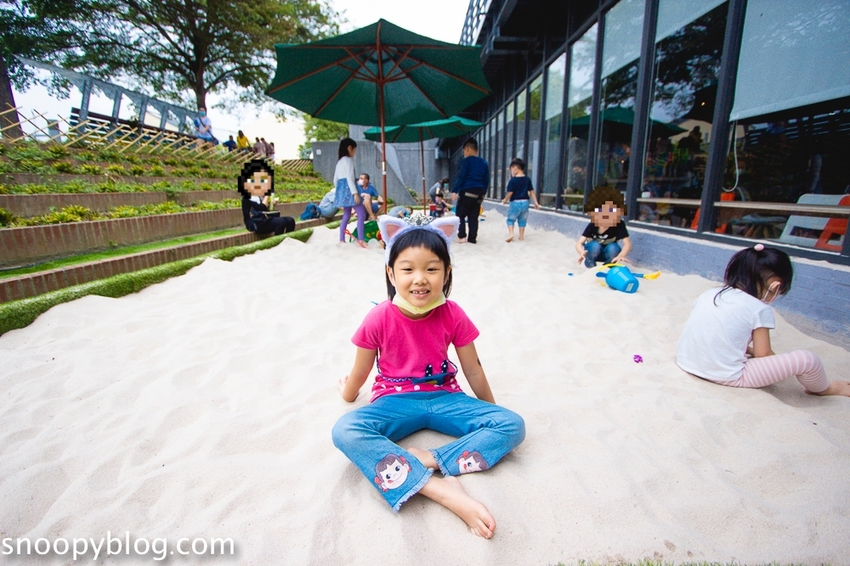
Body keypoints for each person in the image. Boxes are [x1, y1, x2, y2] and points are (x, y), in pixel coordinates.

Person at [332, 215, 525, 539]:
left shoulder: (453, 313)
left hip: (446, 397)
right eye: (408, 269)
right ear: (391, 273)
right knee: (345, 430)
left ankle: (430, 460)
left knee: (513, 425)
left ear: (446, 272)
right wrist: (347, 393)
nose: (420, 279)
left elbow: (473, 369)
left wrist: (492, 413)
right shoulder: (378, 317)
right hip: (394, 402)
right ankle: (440, 490)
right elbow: (361, 371)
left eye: (432, 269)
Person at [677, 245, 849, 397]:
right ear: (775, 285)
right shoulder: (759, 308)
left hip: (687, 362)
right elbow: (763, 354)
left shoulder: (710, 294)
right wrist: (779, 364)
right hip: (726, 375)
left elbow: (716, 332)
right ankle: (826, 389)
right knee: (807, 360)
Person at [575, 186, 632, 267]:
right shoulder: (593, 224)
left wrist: (621, 255)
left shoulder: (619, 224)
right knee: (595, 246)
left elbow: (627, 244)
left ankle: (607, 266)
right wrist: (581, 252)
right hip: (593, 252)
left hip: (607, 253)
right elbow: (579, 243)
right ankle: (591, 264)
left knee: (614, 248)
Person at [237, 159, 295, 236]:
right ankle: (278, 241)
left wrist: (272, 204)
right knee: (280, 222)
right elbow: (261, 207)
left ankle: (287, 240)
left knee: (290, 220)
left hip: (264, 220)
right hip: (254, 223)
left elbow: (266, 210)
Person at [452, 138, 489, 244]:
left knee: (460, 214)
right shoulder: (484, 162)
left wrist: (455, 190)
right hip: (480, 191)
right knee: (473, 216)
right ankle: (472, 238)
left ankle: (462, 236)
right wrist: (483, 193)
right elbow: (486, 179)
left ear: (467, 149)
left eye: (464, 150)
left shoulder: (465, 161)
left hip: (467, 190)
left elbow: (460, 176)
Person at [333, 138, 368, 249]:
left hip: (342, 191)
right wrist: (355, 193)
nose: (355, 152)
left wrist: (340, 191)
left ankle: (341, 239)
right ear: (349, 148)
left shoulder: (339, 162)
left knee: (346, 215)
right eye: (354, 149)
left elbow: (335, 180)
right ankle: (361, 239)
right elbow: (350, 178)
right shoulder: (348, 161)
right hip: (350, 190)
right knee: (361, 214)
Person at [500, 158, 540, 243]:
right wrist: (536, 202)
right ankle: (521, 236)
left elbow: (510, 192)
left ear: (515, 168)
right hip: (525, 202)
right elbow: (532, 192)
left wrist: (505, 200)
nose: (512, 171)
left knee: (510, 219)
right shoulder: (527, 179)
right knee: (522, 220)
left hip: (515, 202)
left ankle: (511, 234)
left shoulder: (513, 180)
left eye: (512, 169)